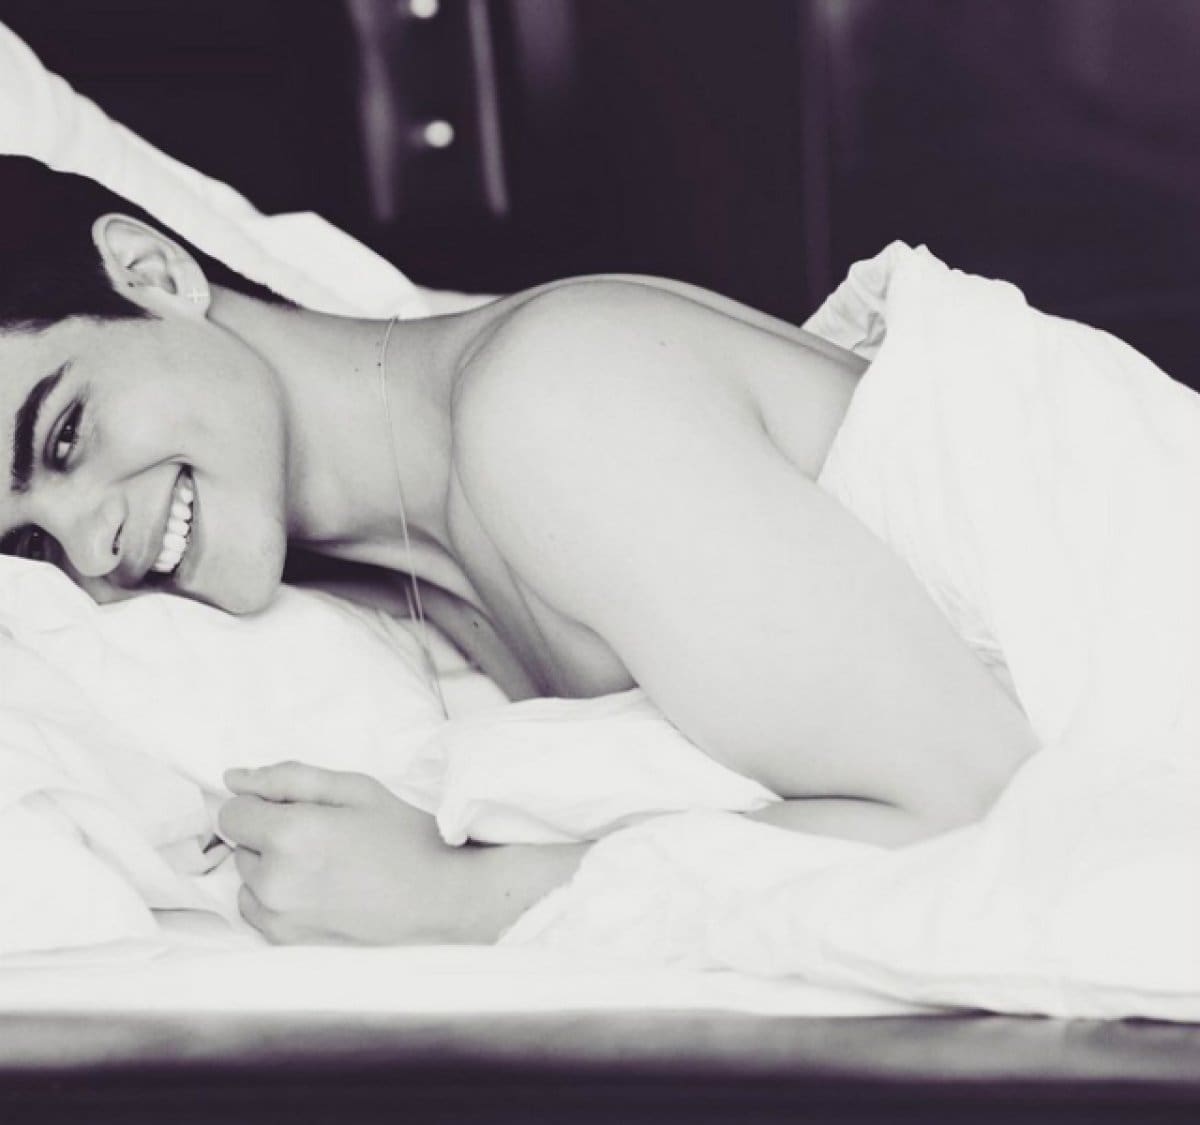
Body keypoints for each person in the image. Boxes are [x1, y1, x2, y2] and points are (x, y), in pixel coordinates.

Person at [0, 159, 1038, 945]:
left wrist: (452, 891)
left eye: (64, 435)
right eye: (32, 536)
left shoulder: (552, 401)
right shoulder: (419, 587)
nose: (91, 542)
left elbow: (975, 816)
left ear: (154, 272)